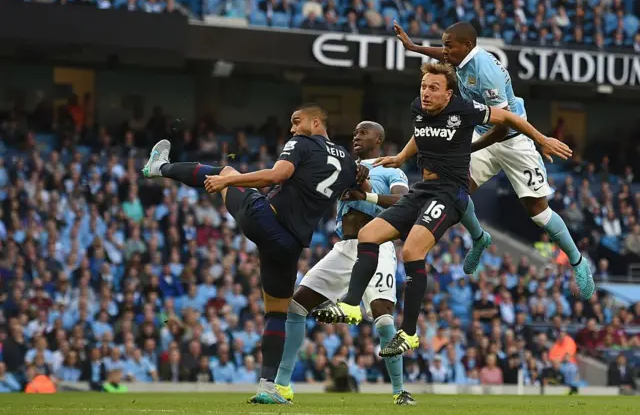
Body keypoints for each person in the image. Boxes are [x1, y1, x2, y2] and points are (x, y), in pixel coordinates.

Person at [314, 63, 571, 357]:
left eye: (433, 88)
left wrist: (541, 140)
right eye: (423, 86)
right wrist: (400, 157)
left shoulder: (465, 109)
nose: (426, 92)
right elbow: (419, 133)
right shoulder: (418, 109)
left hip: (451, 192)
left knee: (411, 251)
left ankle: (408, 334)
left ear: (449, 94)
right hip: (423, 188)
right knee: (369, 234)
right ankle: (350, 304)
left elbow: (509, 118)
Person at [142, 105, 359, 404]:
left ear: (316, 121)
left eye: (297, 122)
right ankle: (267, 386)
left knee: (225, 171)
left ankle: (159, 168)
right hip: (290, 245)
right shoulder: (348, 163)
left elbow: (275, 176)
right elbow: (361, 186)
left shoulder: (302, 143)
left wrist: (229, 181)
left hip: (264, 219)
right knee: (276, 313)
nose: (293, 129)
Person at [393, 21, 594, 301]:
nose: (444, 50)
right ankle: (479, 238)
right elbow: (444, 56)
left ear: (467, 46)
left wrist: (472, 146)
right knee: (455, 191)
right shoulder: (463, 58)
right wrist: (414, 47)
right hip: (484, 132)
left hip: (513, 138)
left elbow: (502, 126)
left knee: (538, 212)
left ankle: (577, 262)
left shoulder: (485, 72)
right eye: (444, 44)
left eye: (449, 45)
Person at [273, 121, 415, 405]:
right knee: (297, 304)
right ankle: (282, 386)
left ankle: (400, 391)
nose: (357, 136)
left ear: (380, 138)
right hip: (345, 247)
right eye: (355, 133)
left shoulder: (390, 169)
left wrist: (367, 193)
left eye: (364, 132)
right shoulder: (346, 167)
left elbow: (403, 201)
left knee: (383, 316)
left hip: (377, 245)